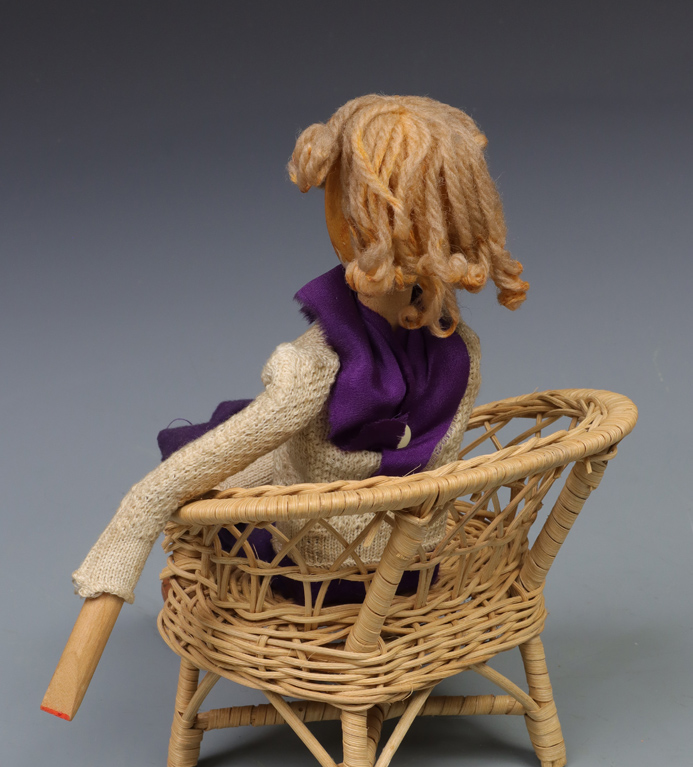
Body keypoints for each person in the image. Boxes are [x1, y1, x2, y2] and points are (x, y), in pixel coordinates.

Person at [72, 94, 528, 605]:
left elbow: (238, 457)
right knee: (257, 447)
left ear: (355, 223)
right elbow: (417, 471)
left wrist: (130, 526)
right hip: (413, 569)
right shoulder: (462, 352)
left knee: (211, 454)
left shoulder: (315, 365)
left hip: (320, 577)